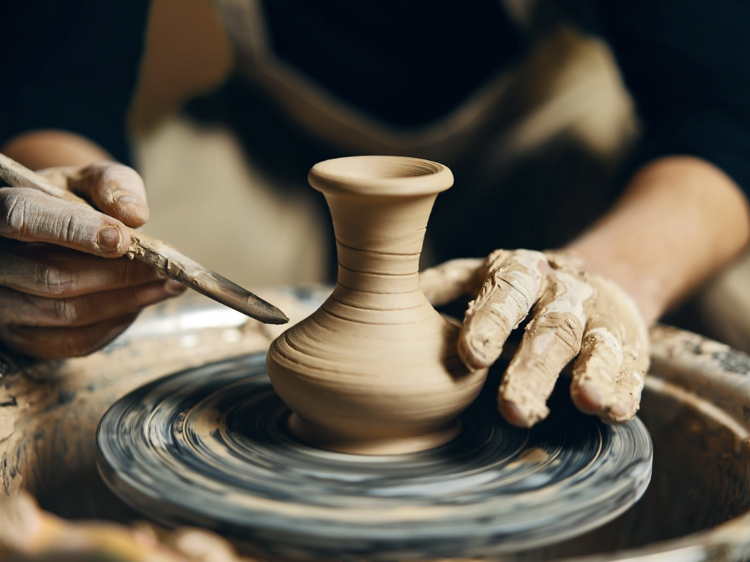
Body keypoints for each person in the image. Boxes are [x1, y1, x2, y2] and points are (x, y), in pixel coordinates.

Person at [0, 0, 748, 427]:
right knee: (85, 303)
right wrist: (59, 212)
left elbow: (726, 110)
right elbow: (58, 81)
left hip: (544, 133)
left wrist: (613, 276)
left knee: (725, 297)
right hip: (276, 148)